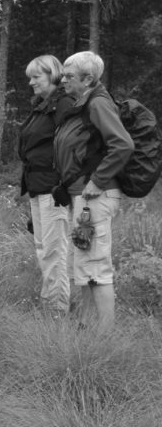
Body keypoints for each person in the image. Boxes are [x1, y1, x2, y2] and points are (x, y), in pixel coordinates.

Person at [54, 51, 134, 331]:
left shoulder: (98, 103)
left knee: (96, 264)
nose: (62, 80)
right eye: (63, 75)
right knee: (84, 262)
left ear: (88, 79)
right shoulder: (84, 102)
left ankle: (105, 338)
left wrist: (97, 181)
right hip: (86, 196)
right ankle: (85, 329)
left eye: (69, 76)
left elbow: (123, 144)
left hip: (96, 196)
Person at [18, 55, 72, 314]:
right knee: (43, 250)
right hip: (37, 186)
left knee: (54, 252)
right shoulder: (42, 105)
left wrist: (64, 183)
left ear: (52, 74)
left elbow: (71, 145)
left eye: (36, 77)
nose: (31, 82)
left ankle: (58, 312)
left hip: (54, 188)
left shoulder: (64, 104)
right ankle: (49, 306)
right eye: (30, 77)